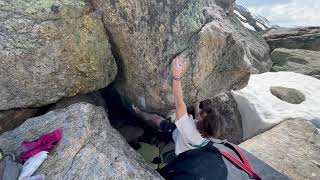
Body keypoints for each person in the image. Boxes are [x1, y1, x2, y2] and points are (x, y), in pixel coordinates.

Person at [133, 55, 227, 179]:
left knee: (157, 120)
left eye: (201, 114)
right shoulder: (208, 133)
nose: (200, 113)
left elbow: (179, 102)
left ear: (200, 122)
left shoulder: (187, 128)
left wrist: (176, 76)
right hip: (187, 145)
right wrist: (196, 105)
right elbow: (198, 118)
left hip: (179, 138)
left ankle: (138, 112)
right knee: (164, 124)